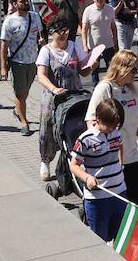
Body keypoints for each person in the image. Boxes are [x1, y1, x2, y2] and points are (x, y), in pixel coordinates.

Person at [88, 51, 138, 206]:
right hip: (111, 159)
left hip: (132, 156)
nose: (136, 74)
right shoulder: (104, 89)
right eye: (133, 70)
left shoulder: (132, 91)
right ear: (121, 68)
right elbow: (91, 121)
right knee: (117, 204)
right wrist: (104, 142)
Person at [36, 23, 94, 181]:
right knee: (47, 127)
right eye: (58, 31)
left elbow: (83, 71)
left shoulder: (75, 47)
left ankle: (76, 161)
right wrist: (54, 89)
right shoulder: (46, 51)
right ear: (51, 33)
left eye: (65, 31)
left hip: (73, 96)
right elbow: (41, 75)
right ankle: (45, 161)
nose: (62, 34)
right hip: (53, 97)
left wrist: (92, 65)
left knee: (76, 127)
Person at [69, 97, 127, 242]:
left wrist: (121, 165)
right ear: (98, 118)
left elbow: (120, 147)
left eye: (116, 126)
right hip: (98, 199)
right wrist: (87, 178)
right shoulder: (85, 139)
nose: (112, 129)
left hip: (119, 193)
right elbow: (74, 165)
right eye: (110, 125)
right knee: (100, 238)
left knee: (120, 236)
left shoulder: (116, 133)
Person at [0, 0, 44, 135]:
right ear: (14, 4)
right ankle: (24, 123)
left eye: (26, 1)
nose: (25, 3)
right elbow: (4, 46)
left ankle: (17, 109)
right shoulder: (10, 21)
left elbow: (41, 35)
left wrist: (42, 42)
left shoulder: (35, 17)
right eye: (22, 1)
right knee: (20, 94)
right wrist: (3, 67)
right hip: (18, 63)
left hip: (33, 62)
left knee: (25, 92)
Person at [80, 0, 118, 80]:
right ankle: (95, 88)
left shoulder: (110, 9)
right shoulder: (88, 10)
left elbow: (114, 28)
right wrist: (85, 46)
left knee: (111, 69)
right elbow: (84, 29)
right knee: (94, 70)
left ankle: (110, 88)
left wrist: (116, 44)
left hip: (108, 45)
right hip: (94, 46)